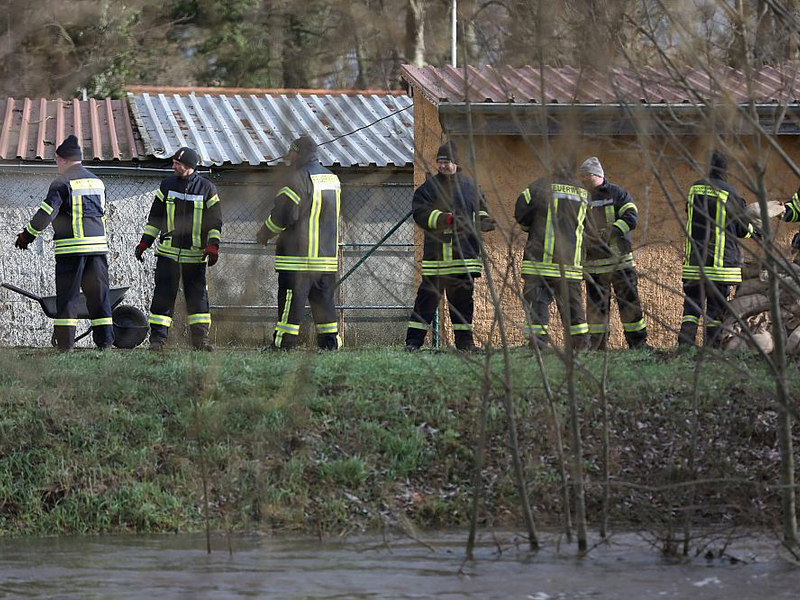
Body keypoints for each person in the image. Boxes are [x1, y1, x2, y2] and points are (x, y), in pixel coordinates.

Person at [14, 134, 114, 351]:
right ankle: (105, 343)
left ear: (62, 159)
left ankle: (65, 346)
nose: (56, 165)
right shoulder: (97, 182)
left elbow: (46, 214)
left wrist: (26, 236)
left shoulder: (62, 183)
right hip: (98, 250)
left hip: (72, 251)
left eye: (56, 160)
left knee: (68, 299)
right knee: (100, 297)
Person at [404, 142, 495, 352]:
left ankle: (465, 344)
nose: (443, 166)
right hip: (437, 261)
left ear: (456, 164)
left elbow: (481, 210)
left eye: (447, 162)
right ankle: (413, 343)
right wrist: (445, 219)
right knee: (425, 305)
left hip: (464, 259)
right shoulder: (429, 188)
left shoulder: (471, 188)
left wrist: (485, 221)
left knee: (463, 306)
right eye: (440, 162)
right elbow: (420, 213)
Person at [256, 136, 342, 350]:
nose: (288, 156)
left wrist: (264, 234)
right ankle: (330, 345)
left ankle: (283, 345)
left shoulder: (297, 178)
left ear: (298, 152)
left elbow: (283, 215)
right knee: (324, 305)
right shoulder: (332, 178)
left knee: (290, 304)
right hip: (326, 260)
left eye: (291, 151)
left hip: (298, 259)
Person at [135, 147, 222, 351]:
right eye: (173, 162)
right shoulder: (167, 185)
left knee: (198, 300)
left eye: (177, 164)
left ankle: (201, 342)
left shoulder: (207, 189)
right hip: (168, 255)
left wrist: (213, 246)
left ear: (189, 167)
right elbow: (155, 218)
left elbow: (215, 222)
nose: (173, 166)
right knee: (163, 297)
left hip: (195, 256)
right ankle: (157, 340)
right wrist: (145, 242)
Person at [678, 150, 754, 348]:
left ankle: (685, 346)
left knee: (691, 310)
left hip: (695, 263)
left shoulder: (694, 189)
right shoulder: (730, 193)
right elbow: (741, 230)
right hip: (719, 266)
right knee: (714, 311)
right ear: (725, 169)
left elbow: (690, 214)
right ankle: (711, 350)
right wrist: (755, 230)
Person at [515, 156, 590, 351]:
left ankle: (537, 345)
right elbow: (590, 227)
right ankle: (580, 347)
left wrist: (530, 227)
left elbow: (521, 212)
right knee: (573, 308)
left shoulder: (539, 186)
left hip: (539, 262)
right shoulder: (584, 193)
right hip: (570, 265)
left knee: (537, 305)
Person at [579, 157, 648, 350]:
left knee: (629, 305)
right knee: (596, 310)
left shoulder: (617, 193)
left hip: (620, 263)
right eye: (581, 175)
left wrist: (610, 233)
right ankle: (598, 348)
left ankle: (638, 345)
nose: (583, 179)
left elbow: (631, 218)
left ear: (598, 175)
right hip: (594, 266)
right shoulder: (581, 196)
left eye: (587, 175)